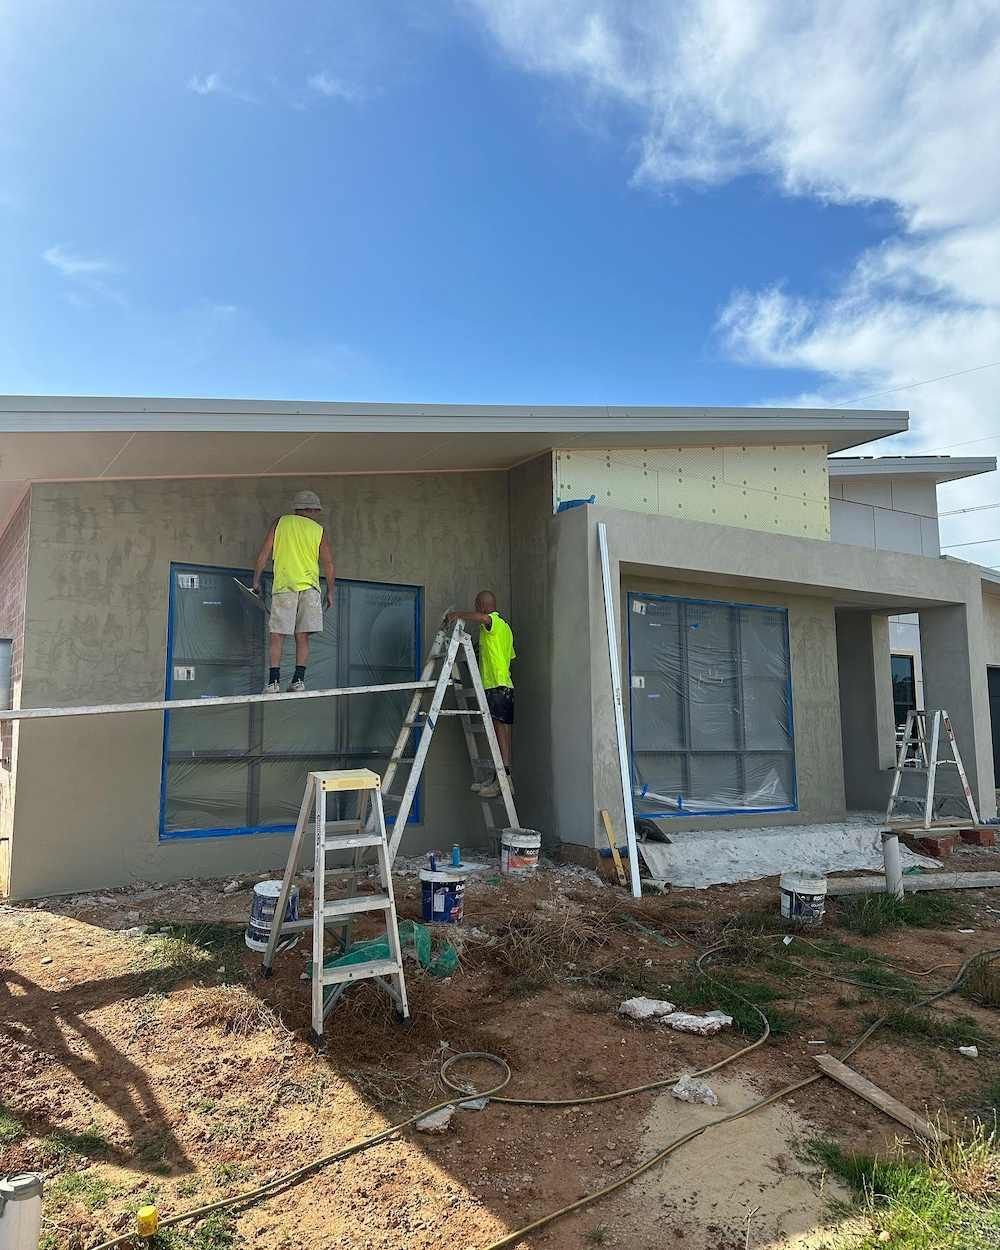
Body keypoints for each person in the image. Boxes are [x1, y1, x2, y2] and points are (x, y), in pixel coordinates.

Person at [253, 490, 335, 693]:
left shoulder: (281, 523)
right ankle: (299, 681)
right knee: (303, 636)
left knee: (277, 635)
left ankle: (273, 682)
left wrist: (256, 580)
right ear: (312, 510)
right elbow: (329, 564)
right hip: (310, 588)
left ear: (297, 508)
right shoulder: (318, 530)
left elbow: (264, 553)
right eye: (316, 510)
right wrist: (330, 591)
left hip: (285, 586)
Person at [446, 591, 515, 798]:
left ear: (482, 605)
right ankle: (501, 777)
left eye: (477, 605)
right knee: (501, 731)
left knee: (499, 731)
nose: (475, 609)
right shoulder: (506, 630)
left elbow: (484, 619)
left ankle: (503, 779)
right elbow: (507, 655)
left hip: (496, 684)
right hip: (504, 683)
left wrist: (457, 614)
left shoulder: (494, 622)